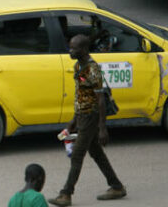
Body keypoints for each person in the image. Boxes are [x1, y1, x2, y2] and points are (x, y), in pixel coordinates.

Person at [47, 35, 126, 206]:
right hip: (82, 116)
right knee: (96, 153)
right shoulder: (78, 65)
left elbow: (100, 100)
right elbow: (82, 95)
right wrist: (73, 120)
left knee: (77, 155)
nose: (70, 51)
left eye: (74, 48)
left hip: (91, 116)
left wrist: (103, 127)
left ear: (84, 50)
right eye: (70, 47)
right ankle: (117, 186)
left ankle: (66, 194)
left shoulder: (92, 69)